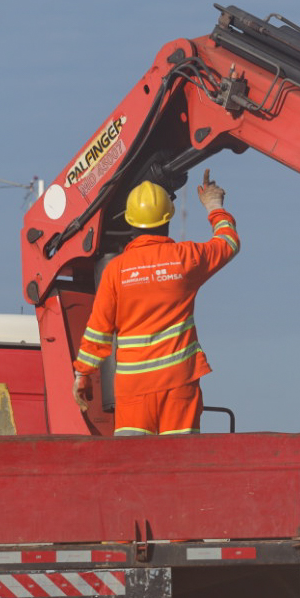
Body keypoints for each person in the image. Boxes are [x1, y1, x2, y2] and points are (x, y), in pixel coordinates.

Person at [72, 171, 240, 435]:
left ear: (130, 220)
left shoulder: (116, 271)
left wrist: (83, 374)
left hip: (133, 387)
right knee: (180, 457)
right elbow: (228, 243)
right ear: (168, 217)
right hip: (179, 381)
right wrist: (214, 205)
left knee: (135, 458)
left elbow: (98, 330)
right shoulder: (186, 258)